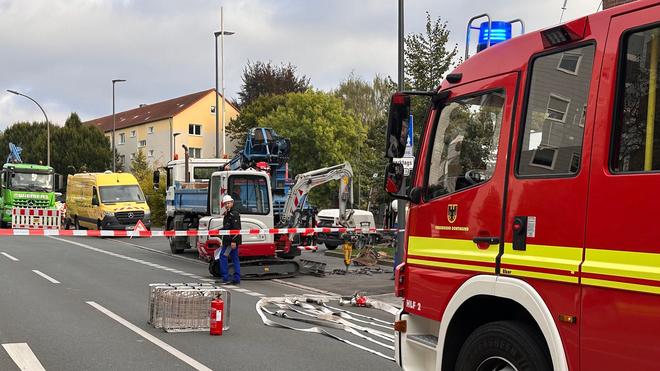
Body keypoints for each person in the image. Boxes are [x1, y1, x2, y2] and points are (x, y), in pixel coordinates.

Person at [219, 195, 241, 284]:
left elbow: (236, 228)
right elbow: (226, 227)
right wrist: (217, 232)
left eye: (228, 203)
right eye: (225, 204)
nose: (227, 205)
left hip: (230, 241)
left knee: (223, 256)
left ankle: (226, 278)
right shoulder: (228, 213)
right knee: (235, 258)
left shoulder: (233, 214)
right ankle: (236, 278)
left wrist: (233, 241)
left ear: (232, 203)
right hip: (229, 240)